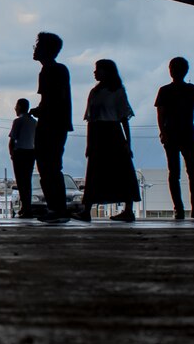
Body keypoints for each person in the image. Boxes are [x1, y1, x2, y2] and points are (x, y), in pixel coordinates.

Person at [82, 58, 140, 222]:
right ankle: (86, 209)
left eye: (98, 69)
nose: (95, 72)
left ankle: (128, 210)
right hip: (97, 133)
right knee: (94, 171)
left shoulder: (117, 91)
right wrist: (88, 143)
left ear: (107, 72)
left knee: (123, 171)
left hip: (113, 132)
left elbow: (124, 119)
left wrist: (128, 143)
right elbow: (90, 120)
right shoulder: (94, 92)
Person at [155, 56, 194, 219]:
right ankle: (189, 208)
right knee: (188, 173)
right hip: (181, 134)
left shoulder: (168, 90)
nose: (172, 70)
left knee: (179, 173)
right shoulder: (188, 89)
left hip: (179, 134)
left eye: (174, 68)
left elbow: (160, 114)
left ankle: (184, 209)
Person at [31, 32, 73, 224]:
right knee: (51, 166)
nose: (35, 49)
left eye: (38, 45)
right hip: (56, 123)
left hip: (51, 124)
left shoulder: (50, 71)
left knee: (49, 166)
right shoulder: (56, 70)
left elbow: (52, 99)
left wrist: (41, 111)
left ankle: (57, 208)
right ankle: (56, 207)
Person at [8, 97, 38, 219]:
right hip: (31, 152)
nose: (15, 108)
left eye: (16, 106)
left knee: (21, 182)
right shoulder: (34, 122)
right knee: (27, 181)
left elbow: (12, 139)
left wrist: (12, 154)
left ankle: (25, 208)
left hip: (20, 152)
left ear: (20, 107)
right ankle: (26, 207)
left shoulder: (18, 121)